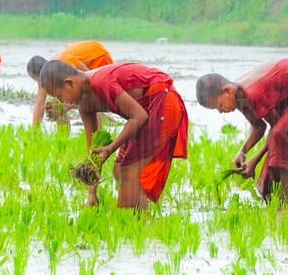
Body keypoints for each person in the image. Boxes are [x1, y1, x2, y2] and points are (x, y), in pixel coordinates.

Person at [40, 60, 189, 209]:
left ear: (70, 83)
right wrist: (92, 193)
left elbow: (139, 116)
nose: (61, 102)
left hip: (162, 100)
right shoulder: (84, 105)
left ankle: (128, 225)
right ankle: (142, 221)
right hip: (145, 109)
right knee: (119, 170)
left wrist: (110, 148)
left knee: (129, 170)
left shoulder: (100, 82)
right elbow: (93, 155)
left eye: (60, 96)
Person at [195, 59, 288, 200]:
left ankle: (281, 197)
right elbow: (258, 126)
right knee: (280, 132)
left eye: (219, 105)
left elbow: (275, 127)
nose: (221, 111)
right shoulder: (237, 97)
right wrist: (242, 152)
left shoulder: (252, 93)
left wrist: (256, 159)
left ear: (227, 90)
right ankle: (279, 198)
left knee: (280, 133)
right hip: (287, 93)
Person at [25, 41, 113, 126]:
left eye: (38, 80)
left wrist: (71, 104)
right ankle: (63, 135)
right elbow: (40, 103)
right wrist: (35, 132)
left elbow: (88, 79)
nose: (39, 83)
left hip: (99, 57)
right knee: (55, 105)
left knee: (90, 98)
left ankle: (97, 133)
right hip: (83, 62)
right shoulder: (46, 74)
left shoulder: (65, 62)